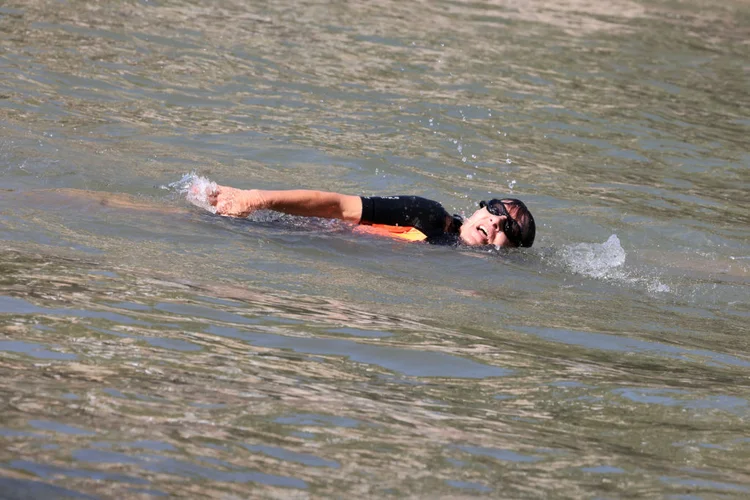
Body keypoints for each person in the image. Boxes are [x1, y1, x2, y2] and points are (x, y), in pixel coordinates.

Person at [203, 184, 535, 248]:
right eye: (494, 210)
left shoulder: (456, 256)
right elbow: (339, 206)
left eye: (508, 226)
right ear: (479, 209)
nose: (494, 222)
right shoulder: (428, 216)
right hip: (281, 228)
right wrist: (255, 199)